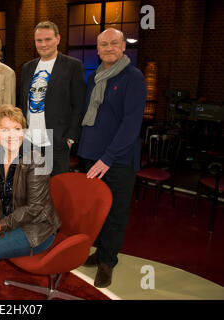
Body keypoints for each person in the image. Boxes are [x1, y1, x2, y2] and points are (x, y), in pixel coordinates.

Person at [0, 104, 61, 300]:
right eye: (4, 130)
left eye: (16, 129)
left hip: (36, 228)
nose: (12, 135)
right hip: (7, 218)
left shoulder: (36, 159)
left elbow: (35, 209)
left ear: (23, 131)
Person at [77, 28, 146, 288]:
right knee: (98, 211)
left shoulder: (133, 77)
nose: (108, 48)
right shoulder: (95, 76)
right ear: (97, 49)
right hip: (92, 156)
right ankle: (101, 251)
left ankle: (108, 262)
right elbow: (89, 115)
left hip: (116, 160)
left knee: (115, 212)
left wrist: (107, 158)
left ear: (123, 46)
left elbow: (131, 124)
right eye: (103, 44)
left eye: (114, 43)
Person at [19, 21, 86, 176]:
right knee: (31, 187)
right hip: (29, 140)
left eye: (48, 39)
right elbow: (24, 102)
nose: (43, 44)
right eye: (39, 40)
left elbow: (79, 104)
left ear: (58, 39)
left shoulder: (73, 66)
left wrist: (71, 139)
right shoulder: (27, 67)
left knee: (55, 189)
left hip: (56, 141)